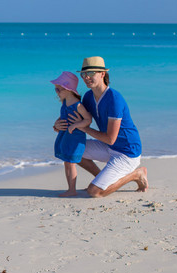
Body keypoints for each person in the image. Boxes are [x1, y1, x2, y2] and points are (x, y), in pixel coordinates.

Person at [60, 56, 148, 197]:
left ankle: (136, 174)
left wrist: (85, 128)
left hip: (127, 152)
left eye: (91, 73)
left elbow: (111, 139)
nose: (86, 78)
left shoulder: (114, 99)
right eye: (83, 74)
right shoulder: (88, 97)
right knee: (72, 149)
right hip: (108, 148)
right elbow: (77, 118)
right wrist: (58, 125)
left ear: (102, 74)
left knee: (95, 192)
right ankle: (103, 179)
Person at [51, 71, 92, 197]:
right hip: (65, 136)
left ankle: (72, 189)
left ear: (68, 89)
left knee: (71, 163)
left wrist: (75, 125)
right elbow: (62, 116)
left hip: (74, 138)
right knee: (66, 162)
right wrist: (56, 124)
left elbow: (88, 120)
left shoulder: (78, 105)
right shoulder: (64, 103)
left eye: (59, 90)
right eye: (56, 90)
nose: (57, 93)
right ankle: (70, 188)